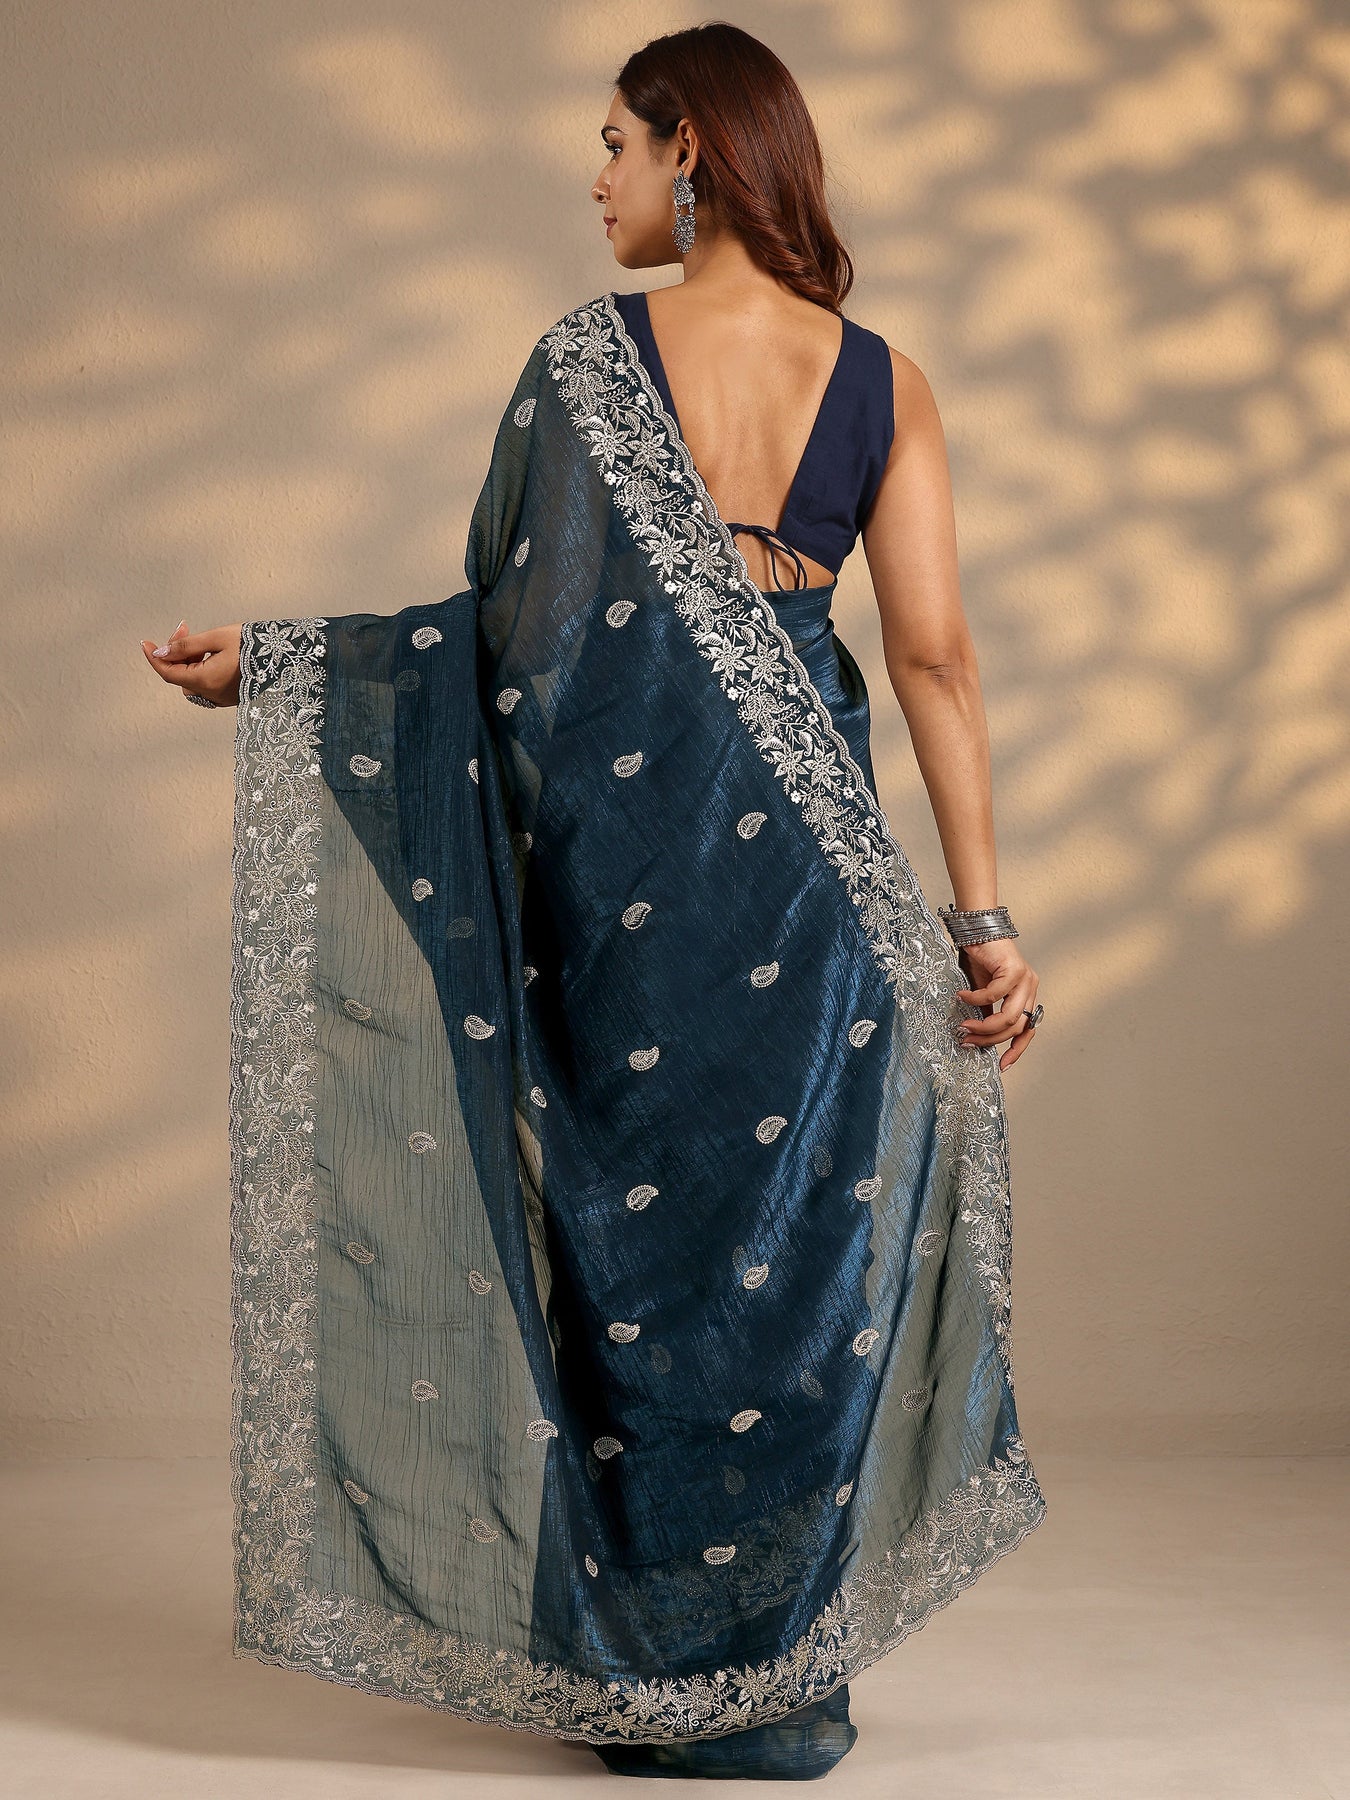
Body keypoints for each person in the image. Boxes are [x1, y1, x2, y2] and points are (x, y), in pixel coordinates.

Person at [141, 21, 1046, 1783]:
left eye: (616, 145)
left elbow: (509, 649)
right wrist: (981, 921)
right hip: (818, 897)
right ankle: (770, 1681)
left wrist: (290, 667)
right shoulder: (887, 382)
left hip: (634, 892)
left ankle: (660, 1678)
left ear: (692, 146)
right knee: (792, 1262)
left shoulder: (588, 363)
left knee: (633, 1251)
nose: (596, 178)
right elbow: (934, 659)